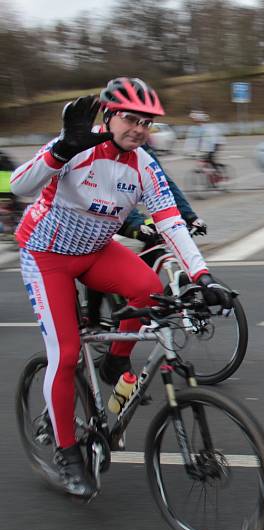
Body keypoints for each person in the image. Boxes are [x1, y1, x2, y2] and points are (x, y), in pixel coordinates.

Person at [10, 77, 233, 499]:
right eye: (130, 118)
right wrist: (60, 150)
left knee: (150, 290)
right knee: (67, 354)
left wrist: (203, 276)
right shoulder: (78, 146)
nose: (138, 129)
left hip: (96, 250)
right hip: (46, 256)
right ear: (109, 116)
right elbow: (19, 185)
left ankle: (115, 364)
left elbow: (170, 222)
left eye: (145, 122)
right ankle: (67, 451)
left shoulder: (144, 164)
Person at [83, 139, 207, 328]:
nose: (139, 131)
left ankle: (140, 297)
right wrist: (137, 225)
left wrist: (190, 217)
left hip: (136, 217)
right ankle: (93, 319)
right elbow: (114, 198)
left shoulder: (144, 152)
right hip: (105, 218)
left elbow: (167, 185)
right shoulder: (105, 153)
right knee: (97, 260)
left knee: (153, 245)